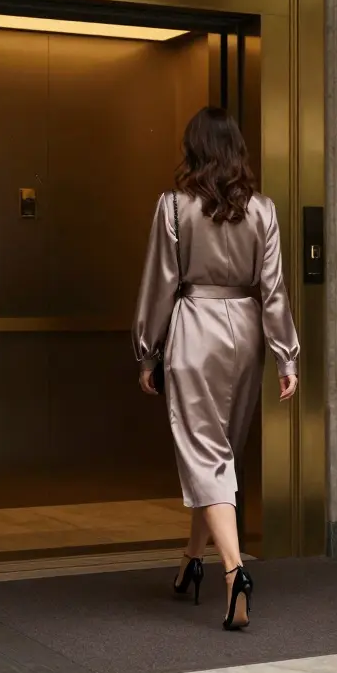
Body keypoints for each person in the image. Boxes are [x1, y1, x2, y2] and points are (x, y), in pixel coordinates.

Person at [133, 106, 300, 631]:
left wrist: (147, 350)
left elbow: (160, 281)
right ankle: (190, 562)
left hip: (196, 326)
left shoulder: (174, 206)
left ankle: (233, 572)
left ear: (194, 149)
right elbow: (273, 289)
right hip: (246, 329)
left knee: (204, 454)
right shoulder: (264, 209)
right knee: (220, 454)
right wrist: (286, 354)